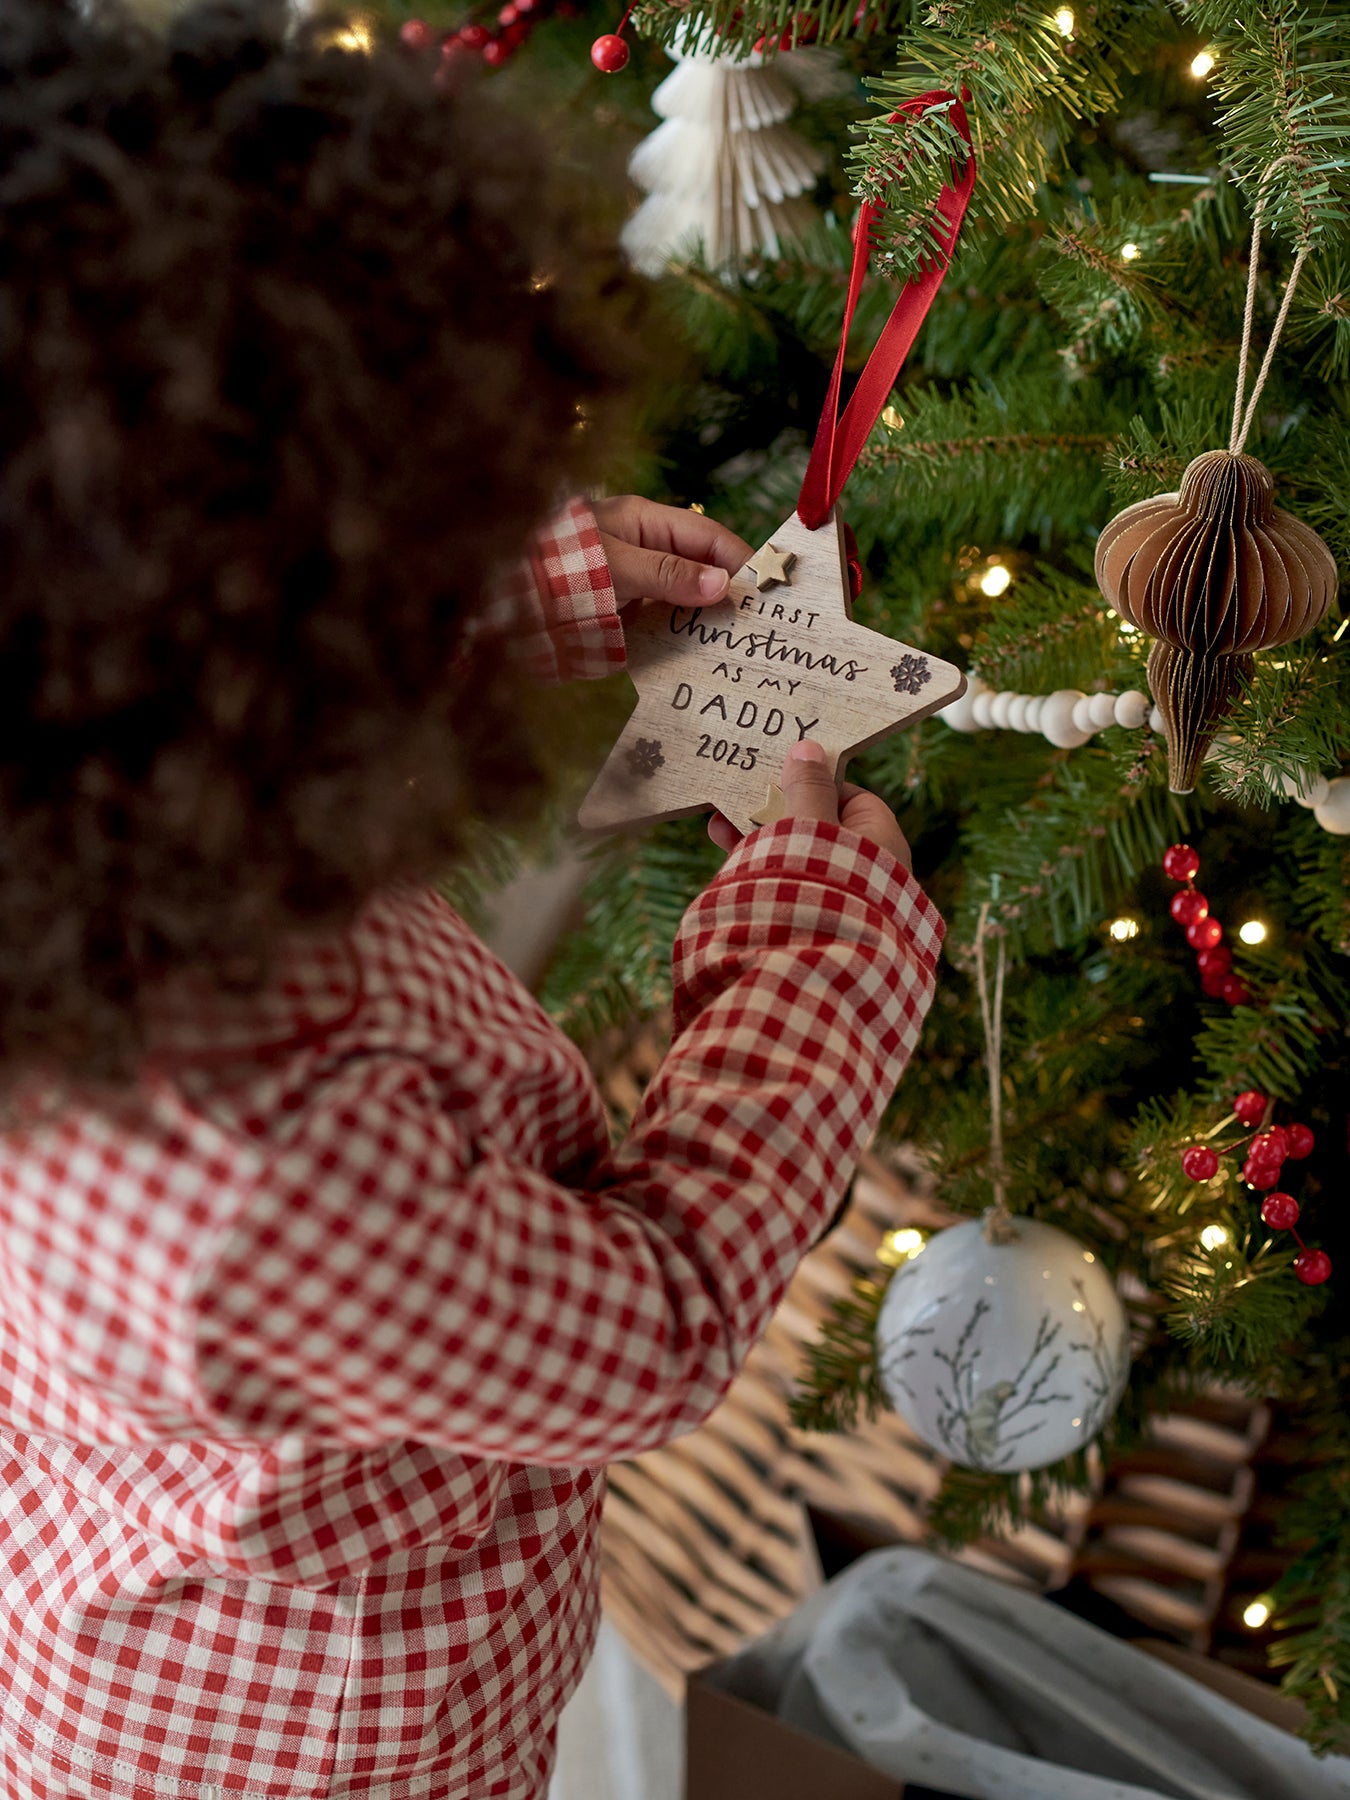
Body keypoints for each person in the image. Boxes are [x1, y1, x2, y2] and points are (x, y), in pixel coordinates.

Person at [0, 5, 942, 1798]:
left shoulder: (88, 794)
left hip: (127, 1529)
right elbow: (652, 1321)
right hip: (318, 1733)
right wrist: (806, 970)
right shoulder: (238, 1179)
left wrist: (479, 602)